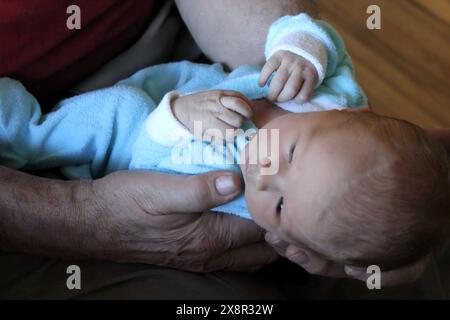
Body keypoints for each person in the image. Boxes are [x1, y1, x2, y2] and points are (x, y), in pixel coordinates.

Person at [0, 0, 447, 297]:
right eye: (290, 154)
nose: (263, 172)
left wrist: (181, 118)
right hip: (144, 100)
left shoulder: (226, 184)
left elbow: (148, 157)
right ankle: (26, 133)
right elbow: (320, 42)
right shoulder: (330, 94)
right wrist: (298, 50)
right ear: (348, 113)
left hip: (142, 135)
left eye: (280, 205)